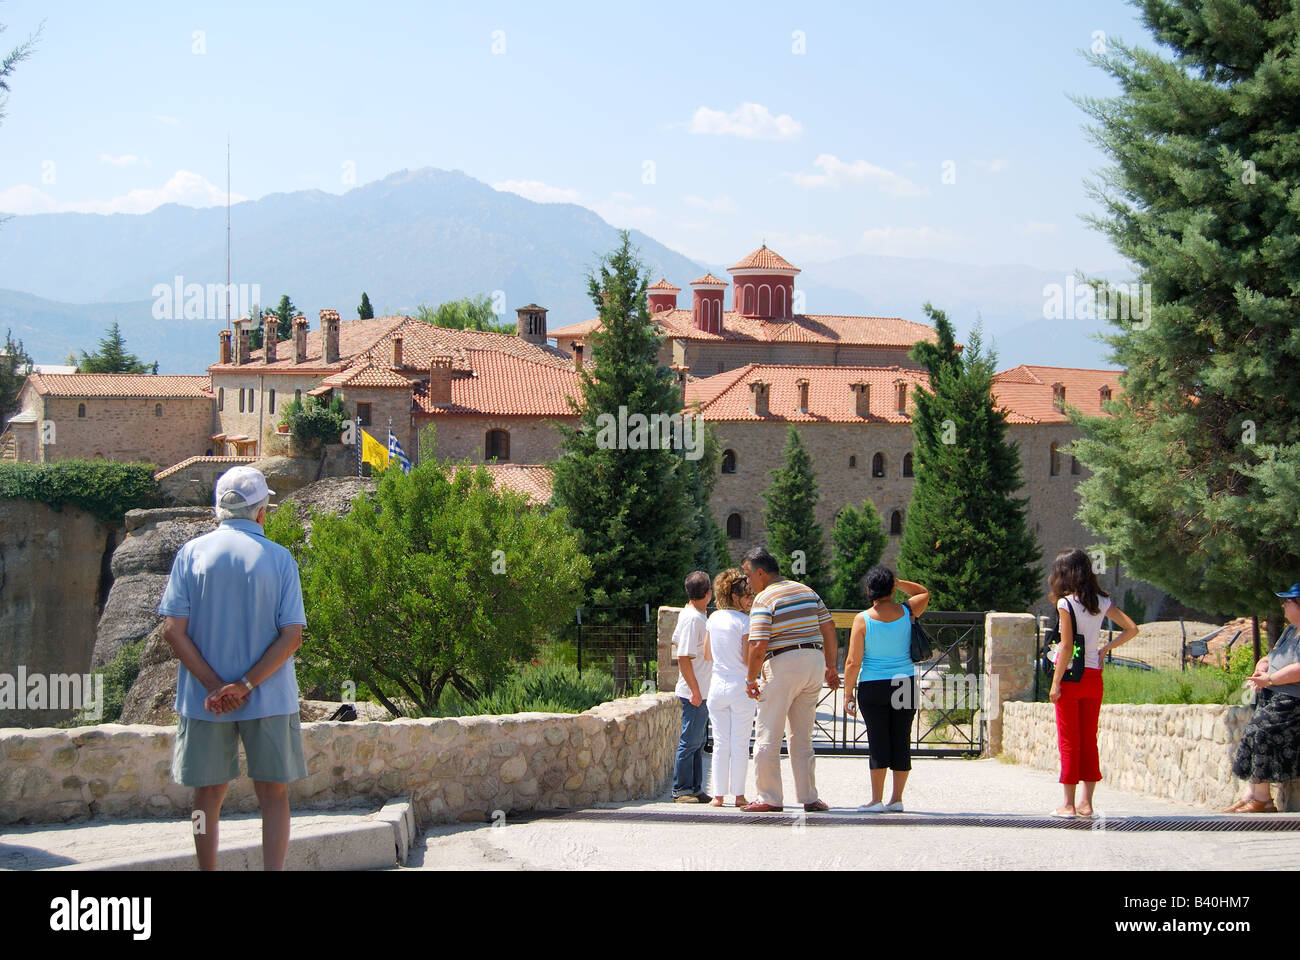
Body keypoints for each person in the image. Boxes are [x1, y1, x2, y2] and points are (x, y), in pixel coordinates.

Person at [158, 466, 308, 870]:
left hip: (204, 702)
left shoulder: (190, 554)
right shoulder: (279, 559)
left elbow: (173, 631)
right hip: (270, 698)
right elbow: (291, 636)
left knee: (206, 797)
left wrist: (214, 687)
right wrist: (243, 685)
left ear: (218, 510)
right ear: (261, 512)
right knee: (274, 795)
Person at [740, 547, 839, 813]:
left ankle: (769, 797)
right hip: (814, 662)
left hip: (783, 663)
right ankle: (809, 797)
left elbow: (758, 644)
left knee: (768, 733)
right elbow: (828, 627)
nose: (747, 582)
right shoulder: (807, 591)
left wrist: (750, 679)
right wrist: (831, 666)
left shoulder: (764, 599)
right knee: (802, 735)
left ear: (760, 573)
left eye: (748, 576)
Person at [1046, 547, 1138, 818]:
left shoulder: (1065, 604)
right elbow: (1132, 628)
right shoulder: (1100, 601)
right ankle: (1087, 803)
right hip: (1094, 677)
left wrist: (1055, 683)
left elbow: (1065, 647)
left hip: (1071, 679)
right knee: (1089, 739)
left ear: (1064, 573)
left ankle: (1068, 804)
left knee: (1068, 740)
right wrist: (1106, 649)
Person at [843, 567, 928, 812]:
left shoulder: (863, 619)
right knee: (901, 739)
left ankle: (876, 799)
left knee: (878, 740)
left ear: (869, 591)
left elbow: (852, 662)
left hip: (873, 684)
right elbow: (923, 592)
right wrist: (898, 582)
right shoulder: (907, 611)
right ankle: (897, 799)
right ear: (891, 589)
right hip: (904, 682)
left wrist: (848, 693)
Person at [1225, 583, 1300, 813]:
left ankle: (1262, 800)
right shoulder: (1290, 631)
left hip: (1292, 700)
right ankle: (1255, 794)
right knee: (1254, 731)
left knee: (1260, 731)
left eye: (1288, 601)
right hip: (1275, 694)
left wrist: (1270, 680)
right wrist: (1262, 667)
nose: (1284, 606)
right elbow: (1271, 655)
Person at [705, 568, 756, 807]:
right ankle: (738, 794)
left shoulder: (713, 618)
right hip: (740, 685)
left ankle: (717, 795)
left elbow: (707, 653)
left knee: (720, 742)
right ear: (736, 597)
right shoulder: (745, 622)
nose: (751, 600)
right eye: (747, 595)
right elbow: (748, 659)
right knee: (740, 742)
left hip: (717, 684)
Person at [672, 570, 713, 803]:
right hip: (694, 692)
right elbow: (683, 657)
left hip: (699, 690)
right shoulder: (692, 619)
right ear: (707, 593)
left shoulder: (695, 615)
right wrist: (695, 690)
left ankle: (695, 788)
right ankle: (682, 790)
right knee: (689, 741)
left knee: (697, 741)